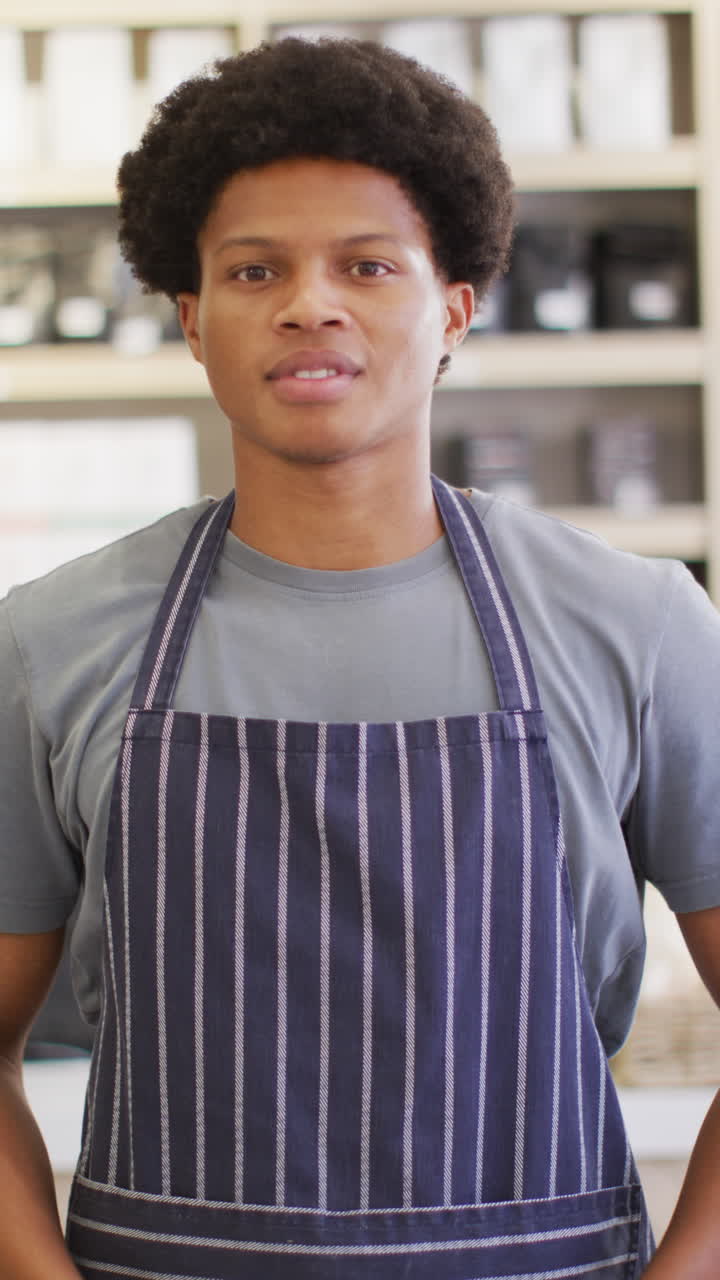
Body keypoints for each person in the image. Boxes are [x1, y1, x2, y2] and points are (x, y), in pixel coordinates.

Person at [0, 36, 719, 1280]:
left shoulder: (640, 623)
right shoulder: (50, 638)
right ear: (192, 319)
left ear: (455, 311)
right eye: (254, 269)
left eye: (367, 264)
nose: (308, 303)